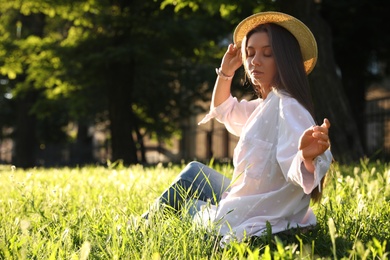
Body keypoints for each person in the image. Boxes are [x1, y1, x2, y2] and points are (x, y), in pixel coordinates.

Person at [141, 11, 333, 245]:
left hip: (258, 212)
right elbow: (224, 110)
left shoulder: (287, 107)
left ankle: (136, 232)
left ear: (285, 59)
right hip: (251, 198)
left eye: (268, 53)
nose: (255, 61)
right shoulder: (267, 105)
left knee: (188, 203)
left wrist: (305, 157)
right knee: (194, 173)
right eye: (250, 54)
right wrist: (226, 72)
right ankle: (140, 227)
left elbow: (295, 166)